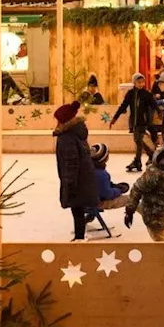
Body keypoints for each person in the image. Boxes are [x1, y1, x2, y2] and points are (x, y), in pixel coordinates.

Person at [53, 102, 98, 240]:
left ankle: (79, 238)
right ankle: (79, 236)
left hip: (77, 180)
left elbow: (71, 163)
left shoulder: (67, 137)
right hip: (84, 179)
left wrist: (70, 184)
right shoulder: (76, 132)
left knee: (77, 208)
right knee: (77, 209)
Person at [110, 73, 156, 172]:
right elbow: (123, 106)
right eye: (138, 82)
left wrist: (160, 112)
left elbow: (154, 105)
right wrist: (115, 118)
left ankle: (138, 161)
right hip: (134, 122)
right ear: (134, 83)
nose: (141, 84)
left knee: (138, 140)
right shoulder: (130, 94)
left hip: (143, 122)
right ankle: (151, 155)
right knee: (138, 141)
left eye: (142, 82)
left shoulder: (146, 94)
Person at [90, 143, 131, 210]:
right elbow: (108, 194)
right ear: (105, 158)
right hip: (97, 203)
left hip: (82, 202)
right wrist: (119, 190)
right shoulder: (101, 174)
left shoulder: (85, 169)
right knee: (132, 199)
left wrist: (113, 185)